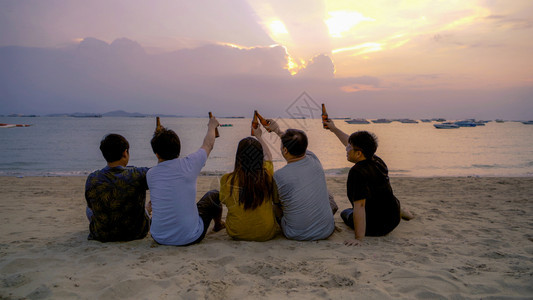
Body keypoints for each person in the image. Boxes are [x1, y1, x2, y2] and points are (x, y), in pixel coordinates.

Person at [324, 119, 413, 246]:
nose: (346, 149)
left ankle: (397, 211)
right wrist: (334, 129)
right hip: (393, 218)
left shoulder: (357, 172)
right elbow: (352, 142)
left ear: (359, 153)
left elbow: (360, 206)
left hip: (377, 227)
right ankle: (400, 210)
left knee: (346, 213)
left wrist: (358, 238)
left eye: (349, 147)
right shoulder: (377, 160)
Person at [147, 117, 225, 246]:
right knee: (214, 194)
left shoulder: (151, 174)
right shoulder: (189, 164)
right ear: (178, 149)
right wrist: (211, 126)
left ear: (156, 154)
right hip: (190, 236)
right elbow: (208, 144)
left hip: (159, 237)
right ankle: (218, 225)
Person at [263, 120, 337, 241]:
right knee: (328, 195)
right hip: (326, 230)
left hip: (294, 233)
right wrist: (277, 131)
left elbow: (277, 205)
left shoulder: (279, 176)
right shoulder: (314, 160)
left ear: (285, 151)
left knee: (275, 203)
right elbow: (296, 144)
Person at [218, 124, 280, 241]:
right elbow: (269, 156)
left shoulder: (226, 180)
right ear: (259, 157)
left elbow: (224, 201)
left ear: (239, 157)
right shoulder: (267, 175)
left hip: (236, 232)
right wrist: (259, 136)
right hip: (265, 233)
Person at [85, 134, 150, 242]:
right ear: (125, 153)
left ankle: (146, 210)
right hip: (135, 232)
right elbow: (161, 172)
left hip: (102, 234)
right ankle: (146, 210)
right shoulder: (138, 174)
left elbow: (91, 206)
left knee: (88, 209)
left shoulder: (92, 178)